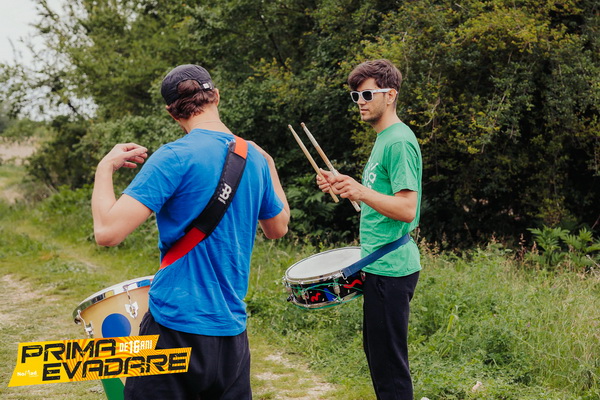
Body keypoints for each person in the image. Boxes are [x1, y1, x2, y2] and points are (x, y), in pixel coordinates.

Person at [91, 64, 290, 399]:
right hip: (231, 334)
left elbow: (107, 232)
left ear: (172, 113)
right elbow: (278, 228)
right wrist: (269, 166)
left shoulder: (174, 156)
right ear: (216, 96)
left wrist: (104, 168)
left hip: (174, 326)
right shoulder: (254, 159)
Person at [317, 59, 422, 399]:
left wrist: (359, 191)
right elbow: (378, 197)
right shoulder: (383, 139)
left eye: (367, 94)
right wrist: (343, 184)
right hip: (377, 264)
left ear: (390, 95)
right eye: (356, 96)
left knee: (390, 368)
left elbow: (407, 209)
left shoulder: (398, 141)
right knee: (379, 359)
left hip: (392, 268)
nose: (360, 102)